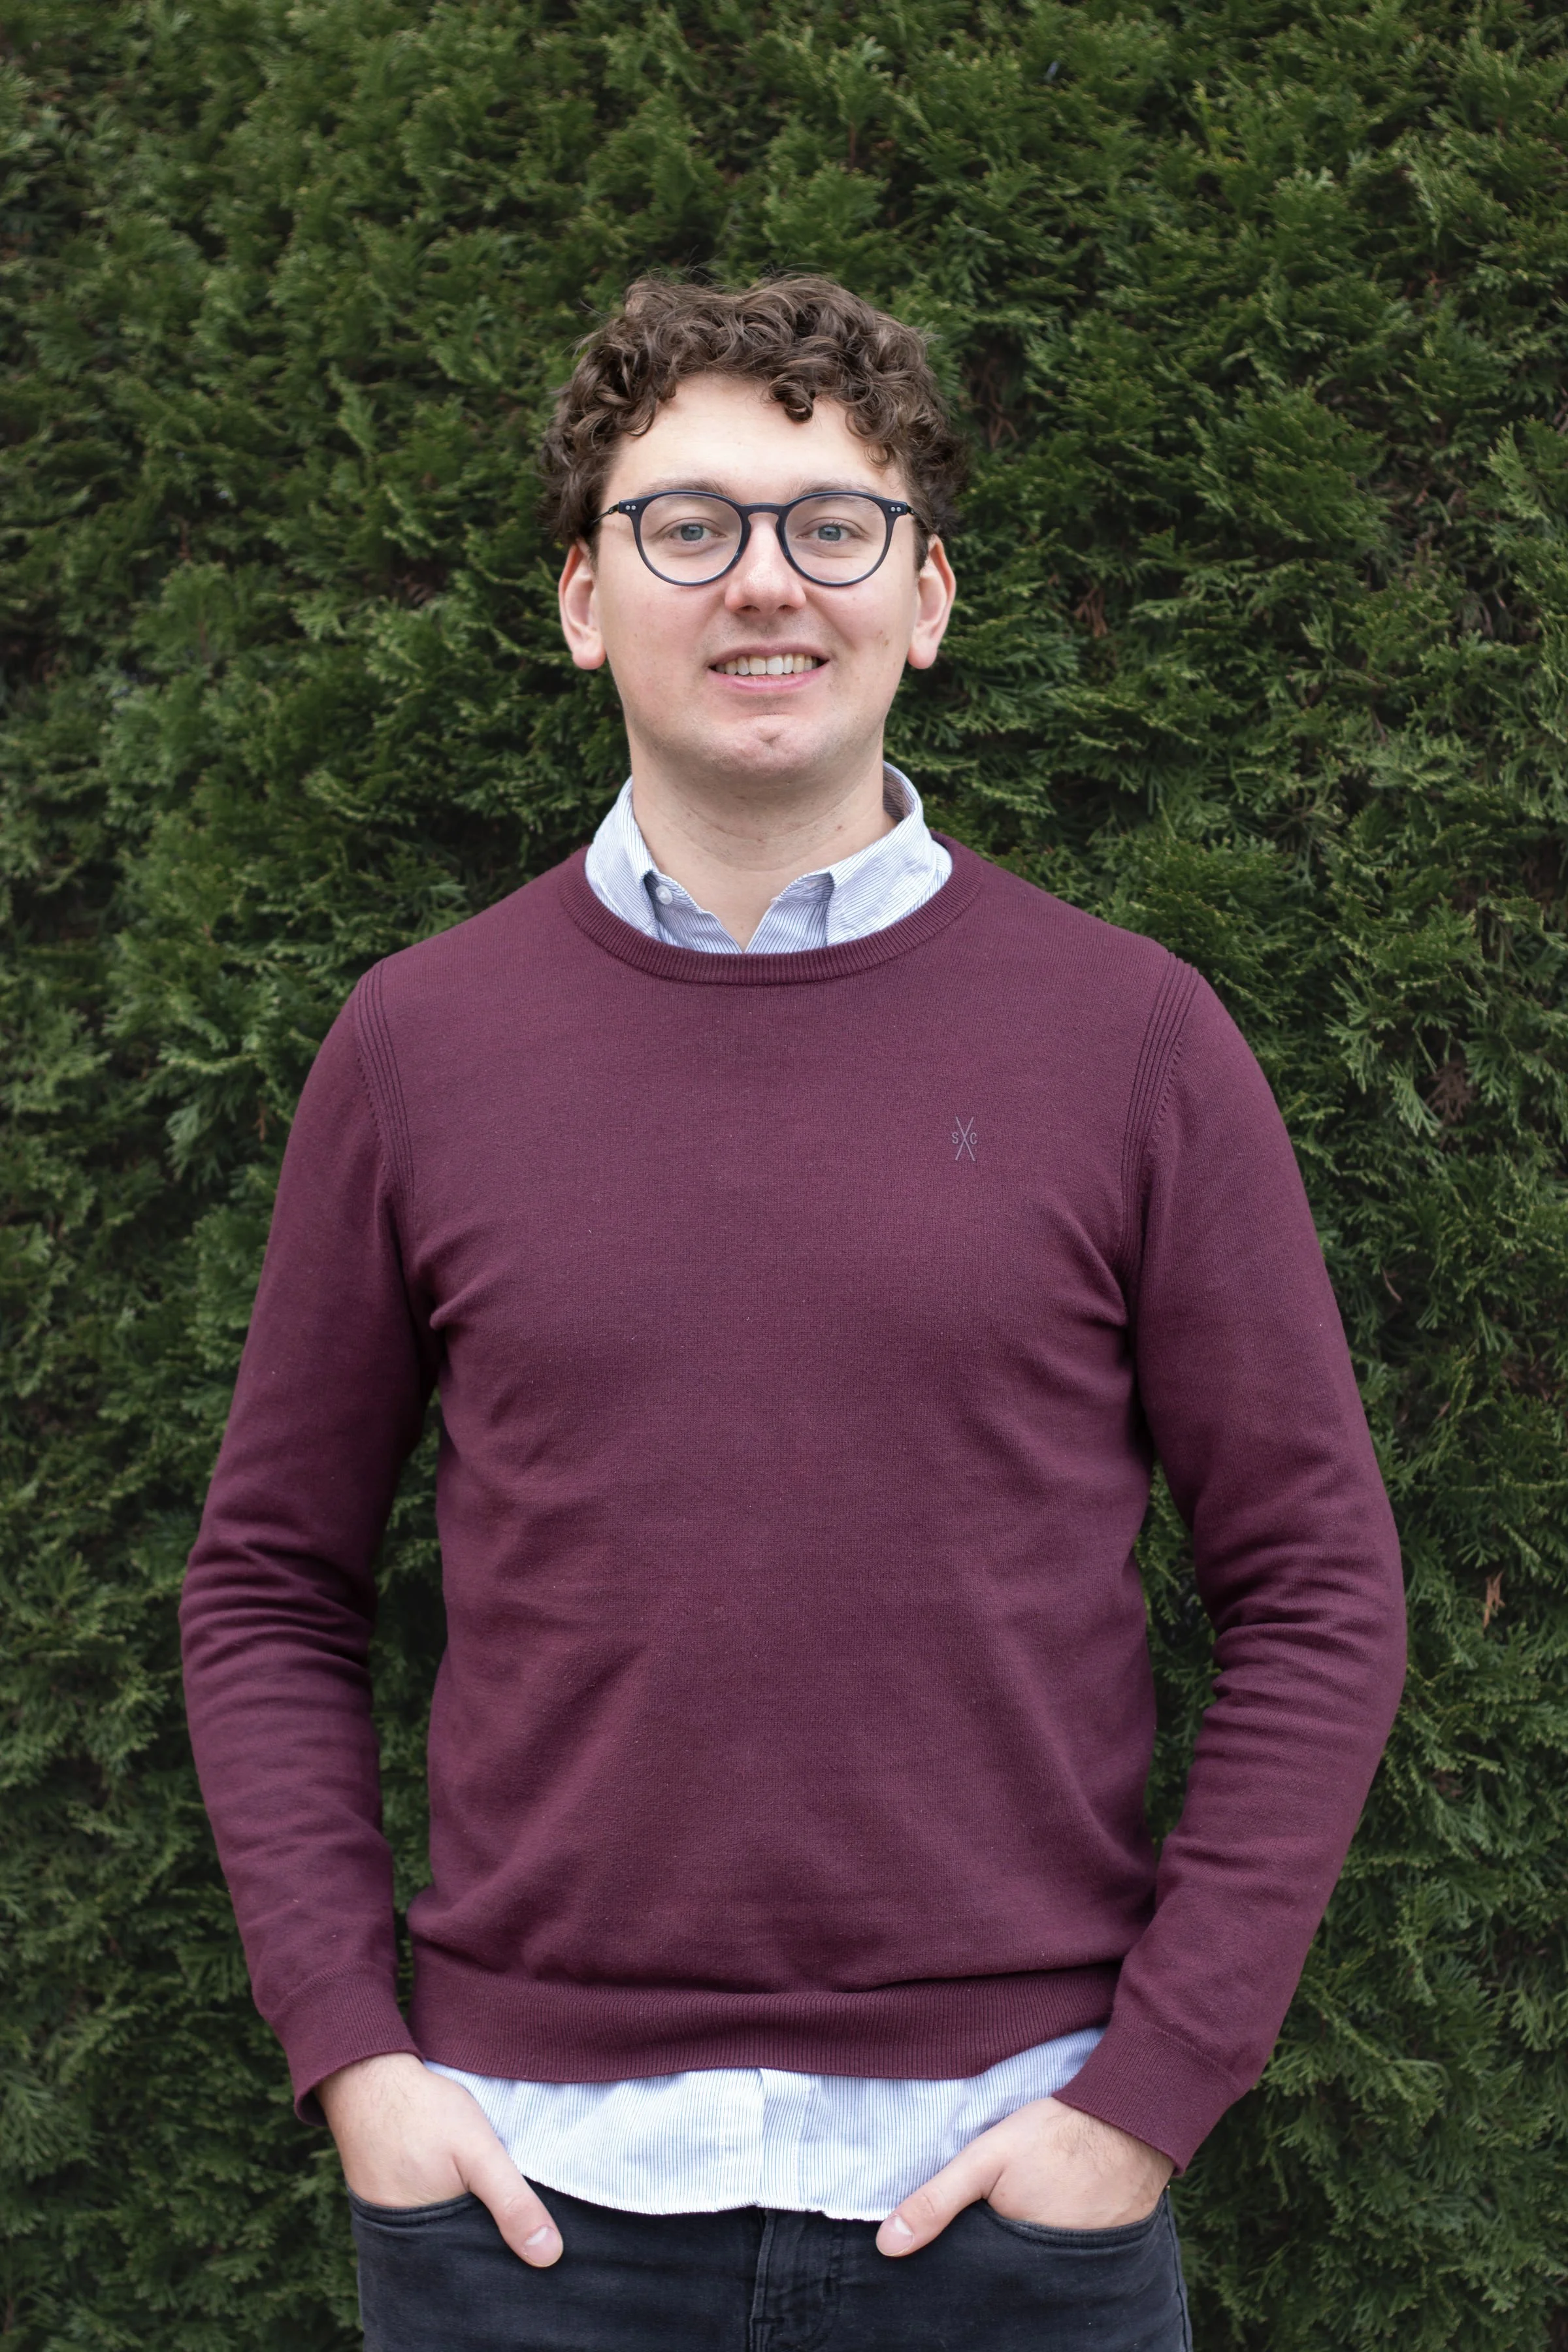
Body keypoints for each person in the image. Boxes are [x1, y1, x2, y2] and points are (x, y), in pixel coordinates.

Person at [180, 275, 1407, 2352]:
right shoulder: (418, 1049)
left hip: (1013, 2208)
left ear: (925, 599)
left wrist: (1149, 2101)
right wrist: (354, 2059)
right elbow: (270, 1586)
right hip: (526, 2216)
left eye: (833, 525)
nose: (766, 581)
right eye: (689, 525)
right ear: (587, 602)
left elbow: (1316, 1585)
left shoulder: (1131, 1040)